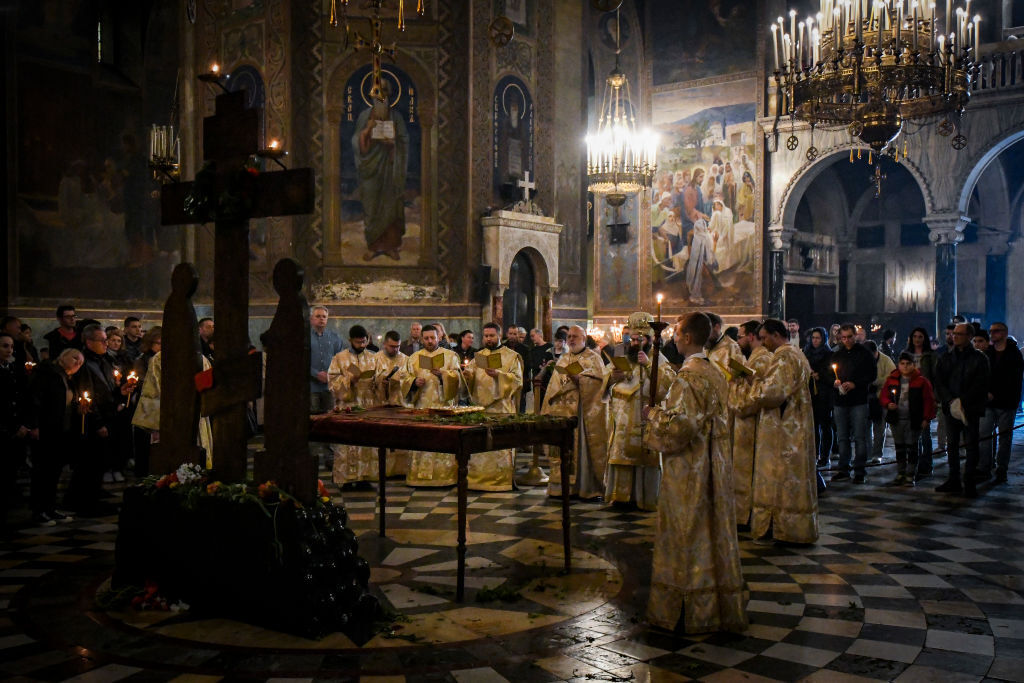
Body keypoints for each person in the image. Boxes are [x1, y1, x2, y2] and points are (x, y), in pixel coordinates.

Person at [642, 312, 747, 634]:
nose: (673, 338)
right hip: (715, 461)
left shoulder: (689, 378)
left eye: (677, 333)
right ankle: (717, 603)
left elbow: (680, 427)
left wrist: (653, 416)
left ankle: (688, 607)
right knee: (712, 529)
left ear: (687, 337)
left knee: (688, 530)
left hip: (691, 468)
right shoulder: (714, 370)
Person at [734, 318, 818, 544]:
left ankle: (783, 528)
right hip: (793, 423)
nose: (763, 343)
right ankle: (787, 527)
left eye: (764, 338)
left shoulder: (784, 357)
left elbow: (772, 393)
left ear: (776, 335)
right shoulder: (796, 354)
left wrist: (749, 388)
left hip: (784, 428)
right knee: (788, 476)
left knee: (781, 476)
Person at [606, 312, 673, 510]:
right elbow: (608, 386)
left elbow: (665, 390)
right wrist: (613, 378)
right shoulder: (625, 357)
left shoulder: (659, 360)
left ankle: (644, 499)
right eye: (632, 339)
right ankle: (621, 497)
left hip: (644, 417)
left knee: (644, 457)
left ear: (651, 339)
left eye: (640, 339)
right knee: (622, 455)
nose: (635, 343)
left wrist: (648, 365)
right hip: (623, 418)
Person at [540, 325, 610, 500]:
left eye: (575, 337)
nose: (571, 339)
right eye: (569, 336)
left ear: (584, 338)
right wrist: (548, 408)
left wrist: (581, 381)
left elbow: (601, 385)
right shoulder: (563, 359)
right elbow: (553, 386)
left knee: (582, 450)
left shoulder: (594, 359)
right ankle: (561, 488)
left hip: (583, 414)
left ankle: (585, 488)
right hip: (563, 412)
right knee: (562, 450)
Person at [459, 322, 523, 491]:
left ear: (499, 336)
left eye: (492, 336)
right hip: (481, 409)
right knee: (480, 447)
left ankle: (500, 481)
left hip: (501, 408)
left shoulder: (511, 356)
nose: (488, 339)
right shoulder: (478, 356)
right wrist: (467, 376)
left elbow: (517, 381)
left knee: (499, 447)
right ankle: (476, 480)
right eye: (486, 336)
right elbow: (469, 381)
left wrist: (498, 375)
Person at [28, 348, 85, 526]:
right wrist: (34, 424)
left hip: (61, 431)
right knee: (42, 472)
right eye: (75, 358)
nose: (78, 363)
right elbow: (34, 399)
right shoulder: (47, 373)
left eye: (81, 362)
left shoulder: (68, 378)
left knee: (54, 472)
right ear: (62, 356)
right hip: (46, 430)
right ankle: (39, 511)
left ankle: (50, 508)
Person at [932, 323, 990, 496]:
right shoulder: (946, 358)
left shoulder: (979, 359)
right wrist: (950, 400)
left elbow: (981, 383)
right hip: (950, 408)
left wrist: (963, 401)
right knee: (953, 444)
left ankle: (969, 480)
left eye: (959, 334)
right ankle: (954, 479)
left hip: (970, 408)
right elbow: (939, 381)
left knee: (971, 445)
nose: (954, 336)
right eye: (953, 333)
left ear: (969, 336)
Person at [353, 87, 409, 262]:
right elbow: (357, 143)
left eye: (383, 97)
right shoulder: (365, 116)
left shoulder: (396, 118)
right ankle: (373, 247)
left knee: (391, 207)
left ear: (389, 98)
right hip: (370, 170)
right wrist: (367, 131)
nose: (380, 101)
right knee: (371, 207)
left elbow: (404, 141)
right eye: (377, 98)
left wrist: (393, 145)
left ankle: (391, 247)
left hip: (391, 170)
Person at [404, 325, 463, 487]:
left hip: (443, 407)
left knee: (441, 440)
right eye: (426, 338)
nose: (430, 341)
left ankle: (444, 476)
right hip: (422, 407)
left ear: (439, 338)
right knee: (422, 440)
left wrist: (444, 375)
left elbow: (459, 380)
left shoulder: (450, 356)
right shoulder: (414, 358)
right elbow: (405, 379)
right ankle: (418, 477)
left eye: (433, 338)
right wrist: (414, 382)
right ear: (422, 339)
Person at [732, 320, 773, 526]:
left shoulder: (760, 360)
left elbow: (752, 398)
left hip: (750, 422)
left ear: (750, 336)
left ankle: (747, 515)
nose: (738, 341)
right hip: (746, 423)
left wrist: (734, 386)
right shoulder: (755, 358)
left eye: (740, 336)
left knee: (747, 470)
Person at [328, 326, 381, 487]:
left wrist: (380, 382)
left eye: (364, 341)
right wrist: (349, 380)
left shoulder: (373, 358)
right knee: (347, 444)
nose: (361, 344)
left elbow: (379, 379)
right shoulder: (340, 358)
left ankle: (365, 478)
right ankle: (346, 479)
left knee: (367, 443)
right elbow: (332, 381)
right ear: (350, 340)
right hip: (348, 407)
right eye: (358, 342)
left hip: (367, 406)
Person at [879, 353, 936, 486]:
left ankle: (910, 474)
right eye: (902, 364)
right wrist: (888, 404)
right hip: (897, 419)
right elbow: (884, 396)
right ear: (898, 365)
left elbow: (928, 401)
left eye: (908, 364)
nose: (905, 367)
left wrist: (926, 418)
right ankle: (901, 472)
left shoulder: (921, 381)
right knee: (899, 447)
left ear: (913, 365)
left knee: (912, 447)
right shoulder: (892, 379)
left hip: (913, 419)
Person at [830, 324, 876, 484]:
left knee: (859, 437)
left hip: (858, 400)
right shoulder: (837, 354)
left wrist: (855, 383)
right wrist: (835, 383)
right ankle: (843, 469)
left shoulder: (864, 353)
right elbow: (830, 373)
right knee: (842, 437)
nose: (847, 340)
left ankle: (859, 471)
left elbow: (872, 374)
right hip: (840, 401)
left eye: (849, 337)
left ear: (855, 336)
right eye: (843, 337)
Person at [984, 322, 1022, 484]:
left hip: (1006, 402)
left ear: (1005, 333)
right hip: (988, 402)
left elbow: (1014, 379)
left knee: (1005, 437)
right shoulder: (988, 353)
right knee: (984, 435)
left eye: (996, 331)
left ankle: (1002, 468)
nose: (993, 334)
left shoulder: (1014, 354)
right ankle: (985, 466)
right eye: (991, 331)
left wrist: (997, 393)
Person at [905, 327, 937, 478]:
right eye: (915, 336)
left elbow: (934, 376)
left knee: (925, 434)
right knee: (911, 434)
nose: (917, 339)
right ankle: (912, 463)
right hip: (908, 396)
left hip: (924, 396)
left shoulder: (929, 356)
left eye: (920, 336)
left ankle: (927, 464)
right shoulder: (906, 354)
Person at [802, 327, 834, 467]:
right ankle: (814, 454)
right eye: (813, 338)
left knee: (825, 425)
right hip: (809, 392)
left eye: (818, 338)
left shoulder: (829, 354)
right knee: (812, 425)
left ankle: (825, 455)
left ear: (823, 339)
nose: (815, 340)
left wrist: (820, 375)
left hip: (824, 393)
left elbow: (832, 374)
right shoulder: (806, 352)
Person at [309, 306, 344, 415]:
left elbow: (340, 359)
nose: (321, 319)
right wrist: (315, 373)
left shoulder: (335, 338)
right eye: (318, 316)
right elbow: (299, 360)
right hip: (310, 386)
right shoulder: (304, 337)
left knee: (330, 418)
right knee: (312, 419)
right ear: (311, 319)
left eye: (324, 316)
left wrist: (330, 375)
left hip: (329, 387)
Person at [866, 340, 895, 466]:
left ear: (876, 352)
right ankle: (866, 453)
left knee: (880, 428)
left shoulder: (886, 360)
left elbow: (891, 376)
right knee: (865, 428)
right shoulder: (863, 359)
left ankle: (877, 454)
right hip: (866, 398)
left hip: (880, 398)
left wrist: (874, 382)